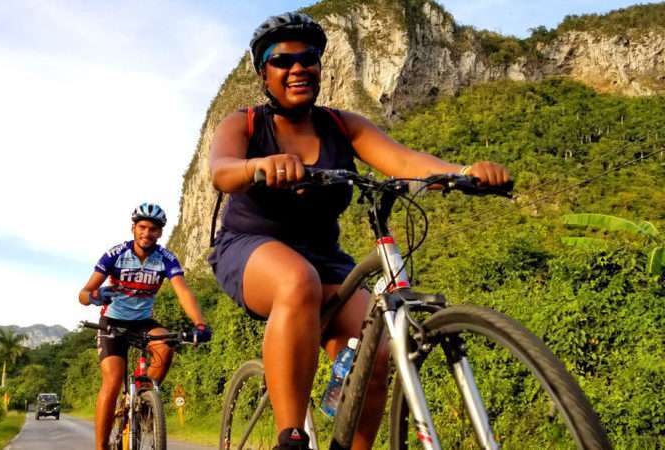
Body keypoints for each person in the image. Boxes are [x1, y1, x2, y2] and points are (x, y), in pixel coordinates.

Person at [207, 12, 511, 450]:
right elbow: (222, 170)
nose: (297, 68)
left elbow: (405, 162)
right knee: (296, 280)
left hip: (326, 260)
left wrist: (463, 172)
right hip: (250, 246)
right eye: (282, 60)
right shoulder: (247, 123)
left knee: (379, 350)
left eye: (308, 57)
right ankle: (290, 437)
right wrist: (258, 166)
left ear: (319, 66)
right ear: (263, 73)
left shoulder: (341, 125)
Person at [78, 202, 211, 450]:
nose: (146, 233)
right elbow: (83, 294)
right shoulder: (115, 254)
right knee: (113, 382)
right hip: (113, 323)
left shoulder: (166, 258)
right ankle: (101, 447)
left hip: (143, 323)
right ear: (133, 228)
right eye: (142, 227)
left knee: (165, 346)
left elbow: (182, 291)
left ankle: (143, 400)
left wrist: (199, 323)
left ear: (160, 232)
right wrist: (96, 296)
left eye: (153, 229)